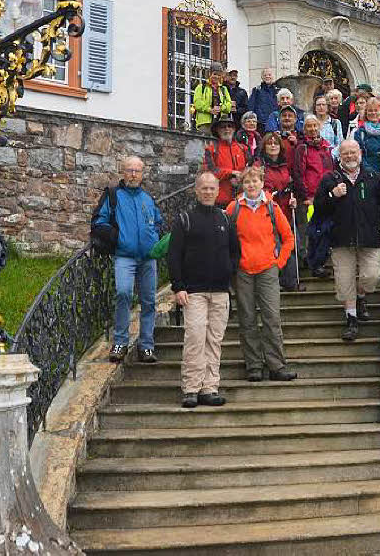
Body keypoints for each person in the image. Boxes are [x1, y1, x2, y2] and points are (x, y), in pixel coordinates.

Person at [313, 140, 380, 341]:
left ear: (360, 153)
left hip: (369, 237)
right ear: (339, 156)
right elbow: (318, 209)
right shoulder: (330, 178)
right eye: (346, 153)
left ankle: (361, 296)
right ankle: (351, 319)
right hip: (341, 240)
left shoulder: (373, 177)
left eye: (353, 152)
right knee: (344, 283)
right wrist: (331, 195)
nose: (350, 156)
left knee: (372, 276)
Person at [168, 172, 240, 408]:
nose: (208, 192)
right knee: (195, 339)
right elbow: (174, 255)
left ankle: (209, 387)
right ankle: (191, 388)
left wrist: (228, 272)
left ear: (218, 190)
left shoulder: (225, 219)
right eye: (204, 188)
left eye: (212, 188)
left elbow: (234, 251)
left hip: (220, 291)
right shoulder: (185, 219)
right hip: (193, 292)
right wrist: (178, 286)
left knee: (214, 341)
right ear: (196, 191)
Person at [226, 166, 297, 382]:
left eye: (255, 181)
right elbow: (226, 242)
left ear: (262, 182)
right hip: (243, 272)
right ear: (242, 185)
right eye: (247, 182)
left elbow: (288, 238)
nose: (251, 185)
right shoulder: (233, 208)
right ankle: (254, 365)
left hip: (268, 270)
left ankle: (276, 365)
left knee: (272, 318)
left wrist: (278, 263)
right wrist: (233, 264)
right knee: (247, 319)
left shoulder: (273, 207)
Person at [93, 156, 163, 363]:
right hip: (124, 255)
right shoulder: (114, 195)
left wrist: (155, 238)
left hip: (148, 257)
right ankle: (121, 342)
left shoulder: (147, 198)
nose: (133, 174)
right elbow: (99, 221)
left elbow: (158, 221)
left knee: (149, 301)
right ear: (123, 172)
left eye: (137, 171)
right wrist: (117, 237)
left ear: (142, 174)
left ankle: (147, 345)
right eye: (129, 170)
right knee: (123, 294)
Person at [292, 115, 333, 266]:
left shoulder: (326, 146)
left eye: (315, 126)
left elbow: (330, 171)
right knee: (309, 231)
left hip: (326, 197)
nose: (312, 129)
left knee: (324, 229)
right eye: (309, 126)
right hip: (309, 197)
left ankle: (321, 261)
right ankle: (309, 261)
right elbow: (298, 173)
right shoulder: (302, 148)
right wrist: (305, 196)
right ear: (304, 129)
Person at [259, 131, 298, 291]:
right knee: (275, 247)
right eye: (270, 143)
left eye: (276, 143)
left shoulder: (284, 166)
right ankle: (277, 282)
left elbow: (289, 185)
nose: (273, 145)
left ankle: (290, 281)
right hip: (269, 213)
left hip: (286, 211)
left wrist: (292, 198)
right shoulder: (260, 166)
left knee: (291, 245)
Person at [202, 113, 249, 207]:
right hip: (220, 200)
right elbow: (210, 171)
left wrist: (242, 175)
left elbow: (250, 168)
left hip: (241, 200)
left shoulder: (243, 149)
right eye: (223, 127)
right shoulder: (211, 149)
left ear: (234, 129)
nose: (227, 129)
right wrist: (231, 173)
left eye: (230, 126)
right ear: (217, 130)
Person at [192, 62, 232, 135]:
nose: (216, 77)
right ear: (209, 74)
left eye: (219, 75)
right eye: (215, 74)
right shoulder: (201, 87)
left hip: (220, 123)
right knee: (206, 144)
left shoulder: (223, 89)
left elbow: (229, 105)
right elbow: (197, 103)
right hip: (205, 123)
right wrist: (210, 110)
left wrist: (221, 108)